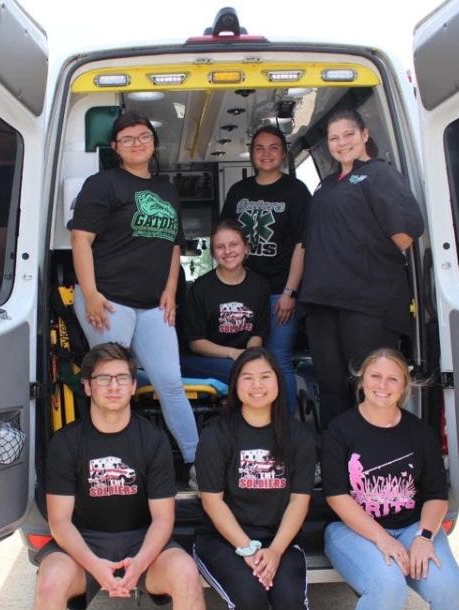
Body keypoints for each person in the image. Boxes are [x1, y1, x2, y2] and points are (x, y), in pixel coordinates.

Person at [31, 343, 207, 610]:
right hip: (83, 541)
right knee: (49, 582)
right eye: (103, 378)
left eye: (122, 378)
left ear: (133, 385)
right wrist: (95, 566)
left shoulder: (153, 440)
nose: (114, 386)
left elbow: (163, 519)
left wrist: (139, 564)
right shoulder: (65, 443)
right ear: (87, 386)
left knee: (186, 573)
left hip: (141, 540)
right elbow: (59, 521)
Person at [69, 110, 199, 484]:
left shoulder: (167, 190)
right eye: (128, 139)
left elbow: (174, 248)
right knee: (114, 383)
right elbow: (81, 240)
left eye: (143, 137)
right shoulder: (103, 184)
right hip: (109, 300)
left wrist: (171, 292)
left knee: (169, 382)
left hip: (154, 306)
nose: (137, 144)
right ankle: (107, 464)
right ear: (116, 148)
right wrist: (91, 294)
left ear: (154, 143)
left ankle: (197, 462)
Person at [321, 348, 459, 610]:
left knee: (449, 587)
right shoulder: (339, 430)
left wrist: (424, 537)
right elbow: (337, 497)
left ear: (404, 386)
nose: (382, 385)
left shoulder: (420, 432)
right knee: (387, 584)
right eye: (375, 376)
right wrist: (381, 539)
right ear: (361, 381)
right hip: (352, 530)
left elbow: (436, 495)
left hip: (411, 527)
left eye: (393, 379)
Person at [298, 109, 424, 428]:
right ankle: (339, 462)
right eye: (334, 138)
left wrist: (361, 259)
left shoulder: (379, 174)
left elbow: (405, 234)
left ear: (365, 135)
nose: (342, 143)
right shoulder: (325, 186)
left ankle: (376, 463)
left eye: (349, 135)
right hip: (323, 304)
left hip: (367, 303)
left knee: (371, 388)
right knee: (331, 389)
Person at [193, 347, 317, 610]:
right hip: (224, 540)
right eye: (247, 378)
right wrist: (248, 549)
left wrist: (274, 551)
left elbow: (299, 500)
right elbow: (212, 502)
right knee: (249, 596)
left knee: (289, 598)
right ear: (235, 385)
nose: (257, 385)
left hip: (280, 540)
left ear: (278, 381)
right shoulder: (217, 434)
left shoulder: (298, 436)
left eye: (265, 376)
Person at [221, 125, 310, 415]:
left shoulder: (296, 191)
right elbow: (225, 239)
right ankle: (250, 423)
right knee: (247, 360)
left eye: (273, 147)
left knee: (279, 358)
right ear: (251, 153)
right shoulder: (238, 191)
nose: (266, 154)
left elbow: (302, 245)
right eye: (259, 148)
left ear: (283, 153)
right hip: (243, 292)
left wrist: (290, 291)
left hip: (278, 293)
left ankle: (288, 426)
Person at [180, 220, 271, 383]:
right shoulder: (201, 288)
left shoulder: (260, 286)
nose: (228, 251)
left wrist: (249, 356)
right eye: (220, 247)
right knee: (239, 372)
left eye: (234, 244)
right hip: (203, 360)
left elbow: (258, 333)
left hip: (242, 359)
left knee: (267, 371)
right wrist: (233, 353)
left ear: (246, 247)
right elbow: (196, 343)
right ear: (213, 253)